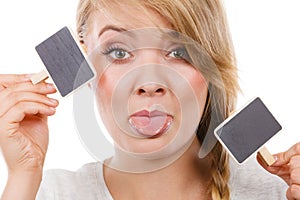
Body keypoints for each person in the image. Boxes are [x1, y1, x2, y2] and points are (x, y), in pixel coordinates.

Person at [0, 0, 299, 199]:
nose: (149, 83)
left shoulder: (277, 192)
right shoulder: (50, 193)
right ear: (82, 64)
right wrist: (22, 175)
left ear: (211, 70)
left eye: (179, 52)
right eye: (118, 52)